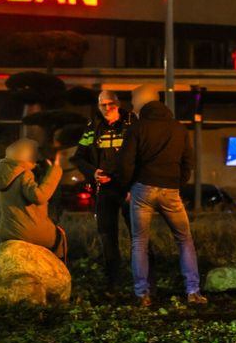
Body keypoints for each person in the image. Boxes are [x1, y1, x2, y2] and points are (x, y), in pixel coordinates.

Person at [112, 100, 206, 306]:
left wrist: (126, 186)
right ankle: (193, 291)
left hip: (143, 189)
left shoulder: (138, 128)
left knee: (139, 242)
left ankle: (142, 294)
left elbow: (126, 161)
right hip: (170, 190)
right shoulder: (179, 129)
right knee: (184, 239)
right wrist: (177, 183)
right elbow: (188, 161)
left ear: (144, 114)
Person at [71, 90, 136, 289]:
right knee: (107, 236)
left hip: (129, 189)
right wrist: (94, 172)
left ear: (118, 103)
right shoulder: (92, 127)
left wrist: (134, 185)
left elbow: (141, 156)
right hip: (104, 189)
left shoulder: (132, 124)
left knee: (138, 236)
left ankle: (143, 283)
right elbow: (79, 156)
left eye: (111, 104)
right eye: (103, 105)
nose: (107, 108)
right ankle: (113, 283)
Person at [0, 138, 67, 263]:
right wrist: (55, 171)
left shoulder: (4, 174)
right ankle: (58, 271)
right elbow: (39, 196)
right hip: (27, 232)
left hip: (7, 231)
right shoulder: (24, 174)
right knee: (60, 236)